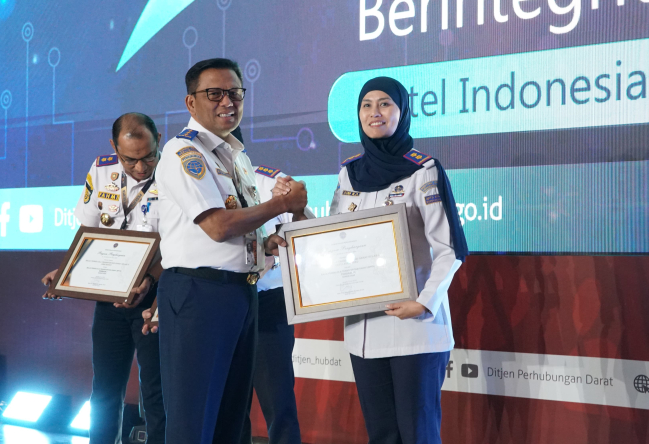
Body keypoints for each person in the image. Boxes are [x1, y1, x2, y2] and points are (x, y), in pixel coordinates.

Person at [154, 58, 307, 444]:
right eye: (215, 94)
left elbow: (238, 226)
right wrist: (280, 205)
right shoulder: (182, 152)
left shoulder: (235, 155)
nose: (228, 102)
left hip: (241, 293)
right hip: (198, 295)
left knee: (230, 422)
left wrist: (265, 243)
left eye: (235, 93)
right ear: (191, 103)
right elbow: (218, 226)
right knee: (193, 424)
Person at [327, 76, 468, 444]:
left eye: (385, 103)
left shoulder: (423, 170)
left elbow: (450, 248)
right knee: (382, 435)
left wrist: (423, 303)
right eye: (366, 105)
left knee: (417, 434)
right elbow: (333, 240)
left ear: (402, 111)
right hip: (362, 330)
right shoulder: (349, 173)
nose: (375, 112)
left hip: (415, 328)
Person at [42, 113, 166, 444]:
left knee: (155, 393)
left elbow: (178, 245)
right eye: (131, 159)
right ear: (114, 147)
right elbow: (89, 229)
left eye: (149, 156)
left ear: (159, 140)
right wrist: (67, 271)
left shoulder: (175, 175)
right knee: (105, 391)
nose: (141, 167)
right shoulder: (101, 168)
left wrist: (149, 283)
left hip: (153, 301)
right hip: (109, 300)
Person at [239, 158, 309, 444]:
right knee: (229, 403)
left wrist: (277, 240)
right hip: (220, 301)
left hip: (267, 300)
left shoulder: (272, 182)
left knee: (278, 401)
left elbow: (305, 232)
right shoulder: (201, 182)